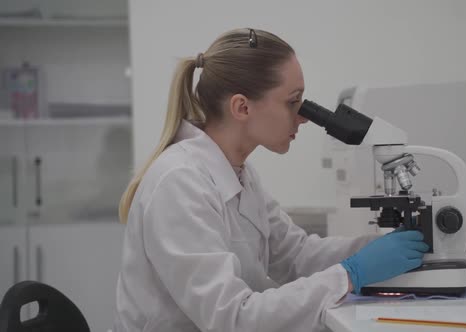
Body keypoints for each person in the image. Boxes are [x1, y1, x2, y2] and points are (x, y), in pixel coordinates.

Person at [114, 28, 429, 332]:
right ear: (242, 107)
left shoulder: (240, 174)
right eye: (293, 102)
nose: (304, 116)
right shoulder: (179, 183)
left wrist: (377, 250)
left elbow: (296, 256)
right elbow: (233, 319)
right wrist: (351, 274)